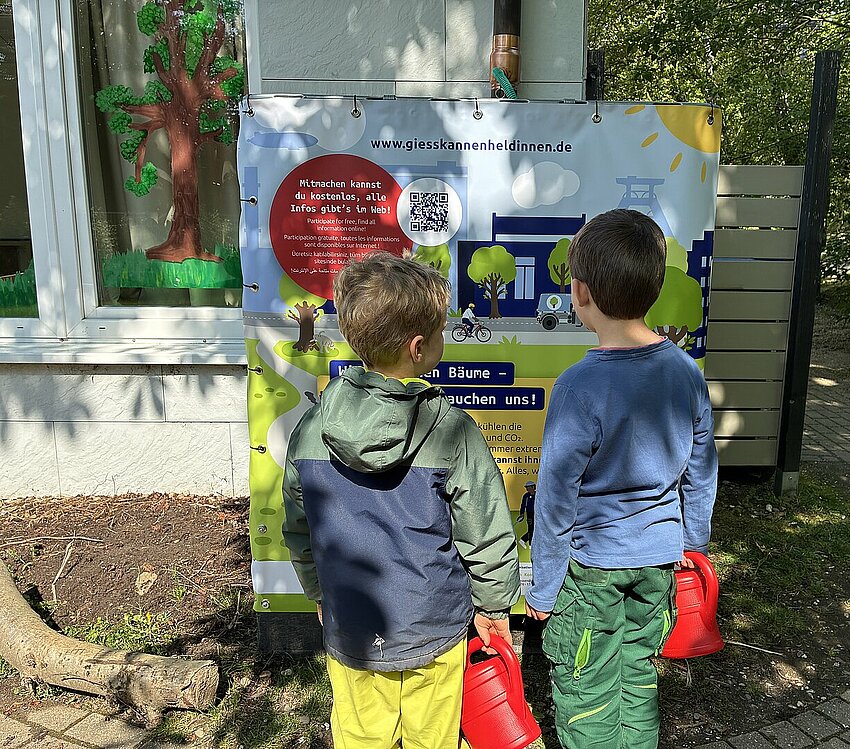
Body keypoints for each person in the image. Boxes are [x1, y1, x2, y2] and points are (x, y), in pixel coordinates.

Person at [282, 252, 521, 749]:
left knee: (360, 736)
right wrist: (495, 604)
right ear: (418, 347)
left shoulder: (310, 428)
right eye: (440, 331)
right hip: (435, 628)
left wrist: (318, 591)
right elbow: (485, 527)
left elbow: (299, 524)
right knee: (432, 738)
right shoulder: (452, 430)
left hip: (352, 624)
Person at [525, 209, 718, 749]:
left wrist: (544, 586)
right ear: (654, 288)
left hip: (591, 570)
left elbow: (557, 498)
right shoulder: (686, 372)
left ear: (579, 292)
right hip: (659, 561)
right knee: (638, 679)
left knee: (587, 687)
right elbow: (702, 468)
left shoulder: (577, 386)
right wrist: (693, 543)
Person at [517, 480, 536, 546]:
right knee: (531, 529)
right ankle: (530, 544)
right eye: (527, 488)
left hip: (537, 514)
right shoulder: (526, 496)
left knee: (536, 529)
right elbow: (523, 505)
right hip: (530, 514)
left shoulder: (538, 494)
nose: (528, 489)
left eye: (529, 487)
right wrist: (521, 514)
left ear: (533, 487)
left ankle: (523, 540)